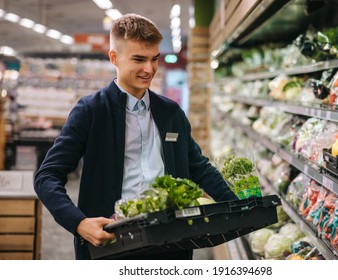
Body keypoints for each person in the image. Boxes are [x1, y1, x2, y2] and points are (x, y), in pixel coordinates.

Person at [34, 13, 237, 260]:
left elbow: (199, 167)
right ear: (114, 58)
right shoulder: (91, 111)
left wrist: (238, 205)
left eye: (154, 59)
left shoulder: (170, 112)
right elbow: (47, 176)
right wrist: (79, 223)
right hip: (111, 242)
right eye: (139, 59)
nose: (149, 69)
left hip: (172, 241)